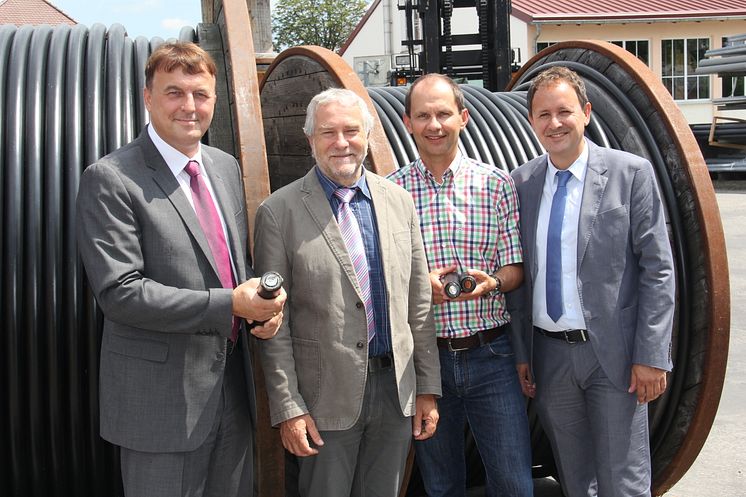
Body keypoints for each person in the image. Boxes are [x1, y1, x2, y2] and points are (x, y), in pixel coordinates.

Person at [76, 42, 286, 497]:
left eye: (201, 94)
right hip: (161, 405)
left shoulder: (224, 167)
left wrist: (262, 312)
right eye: (174, 92)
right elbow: (120, 293)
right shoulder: (112, 178)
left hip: (233, 393)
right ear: (147, 97)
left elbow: (232, 266)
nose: (189, 106)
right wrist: (231, 303)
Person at [253, 88, 441, 497]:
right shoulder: (278, 213)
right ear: (310, 140)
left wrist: (426, 388)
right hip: (324, 401)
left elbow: (419, 305)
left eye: (351, 131)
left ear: (368, 135)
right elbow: (272, 325)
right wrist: (289, 407)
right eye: (328, 133)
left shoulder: (399, 202)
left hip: (395, 394)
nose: (341, 143)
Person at [507, 66, 675, 497]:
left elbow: (658, 268)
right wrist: (524, 352)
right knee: (576, 481)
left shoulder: (629, 173)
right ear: (531, 122)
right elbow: (521, 276)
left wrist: (652, 354)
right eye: (543, 114)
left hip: (614, 358)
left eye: (564, 111)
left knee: (624, 480)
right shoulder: (522, 183)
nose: (554, 123)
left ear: (585, 113)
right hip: (551, 357)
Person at [388, 73, 534, 497]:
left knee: (513, 483)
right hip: (427, 361)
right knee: (441, 484)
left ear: (464, 117)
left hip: (493, 355)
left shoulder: (497, 184)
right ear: (407, 122)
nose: (434, 124)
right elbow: (383, 278)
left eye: (443, 114)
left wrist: (490, 284)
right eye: (423, 115)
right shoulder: (391, 192)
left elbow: (515, 269)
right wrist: (420, 287)